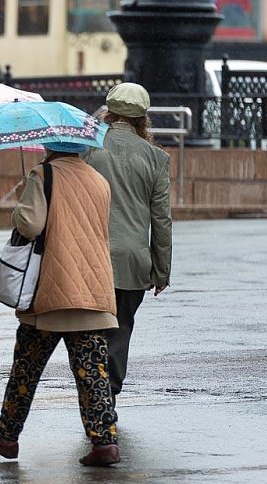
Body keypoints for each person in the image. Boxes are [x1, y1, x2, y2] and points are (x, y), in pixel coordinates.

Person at [0, 142, 121, 467]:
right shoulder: (99, 179)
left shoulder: (44, 174)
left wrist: (18, 205)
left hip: (52, 290)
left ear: (50, 146)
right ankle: (105, 441)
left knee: (26, 368)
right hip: (93, 287)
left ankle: (7, 436)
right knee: (93, 371)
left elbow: (30, 225)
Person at [82, 82, 172, 403]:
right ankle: (110, 393)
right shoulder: (156, 159)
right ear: (142, 118)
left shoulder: (90, 149)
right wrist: (161, 272)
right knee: (121, 328)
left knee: (91, 328)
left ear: (109, 111)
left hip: (93, 256)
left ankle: (93, 391)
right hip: (134, 260)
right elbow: (161, 221)